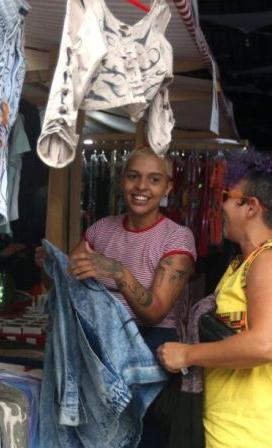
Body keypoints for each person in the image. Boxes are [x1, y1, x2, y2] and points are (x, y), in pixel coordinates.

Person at [156, 151, 272, 447]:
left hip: (267, 437)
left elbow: (265, 344)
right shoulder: (244, 264)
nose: (220, 205)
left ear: (251, 207)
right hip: (235, 431)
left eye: (227, 196)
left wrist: (188, 354)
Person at [36, 146, 196, 447]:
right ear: (122, 179)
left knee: (139, 438)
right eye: (134, 177)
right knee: (96, 437)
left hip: (149, 350)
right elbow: (67, 286)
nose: (141, 187)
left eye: (154, 180)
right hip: (97, 350)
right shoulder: (101, 230)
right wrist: (49, 266)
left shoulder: (177, 237)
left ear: (167, 188)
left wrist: (118, 271)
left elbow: (155, 312)